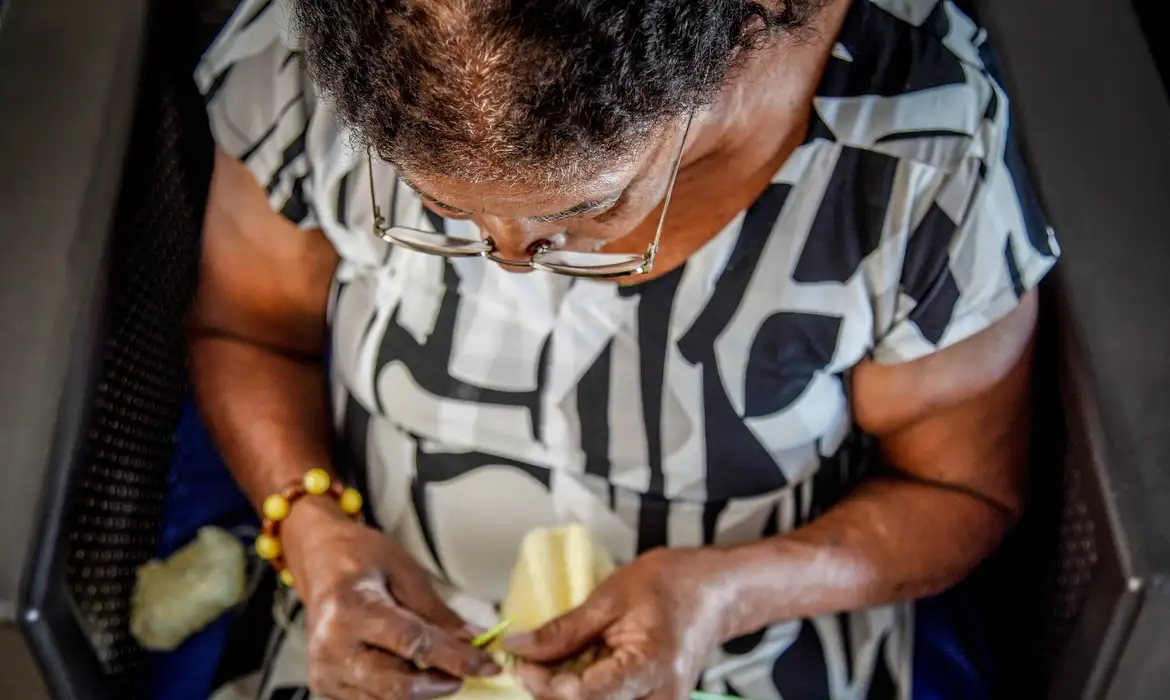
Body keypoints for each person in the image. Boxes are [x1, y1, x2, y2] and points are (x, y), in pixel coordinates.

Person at [192, 0, 1059, 698]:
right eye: (440, 205)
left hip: (742, 650)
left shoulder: (914, 161)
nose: (509, 259)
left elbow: (961, 487)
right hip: (365, 636)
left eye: (587, 210)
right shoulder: (309, 56)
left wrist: (728, 592)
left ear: (737, 39)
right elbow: (247, 332)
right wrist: (309, 525)